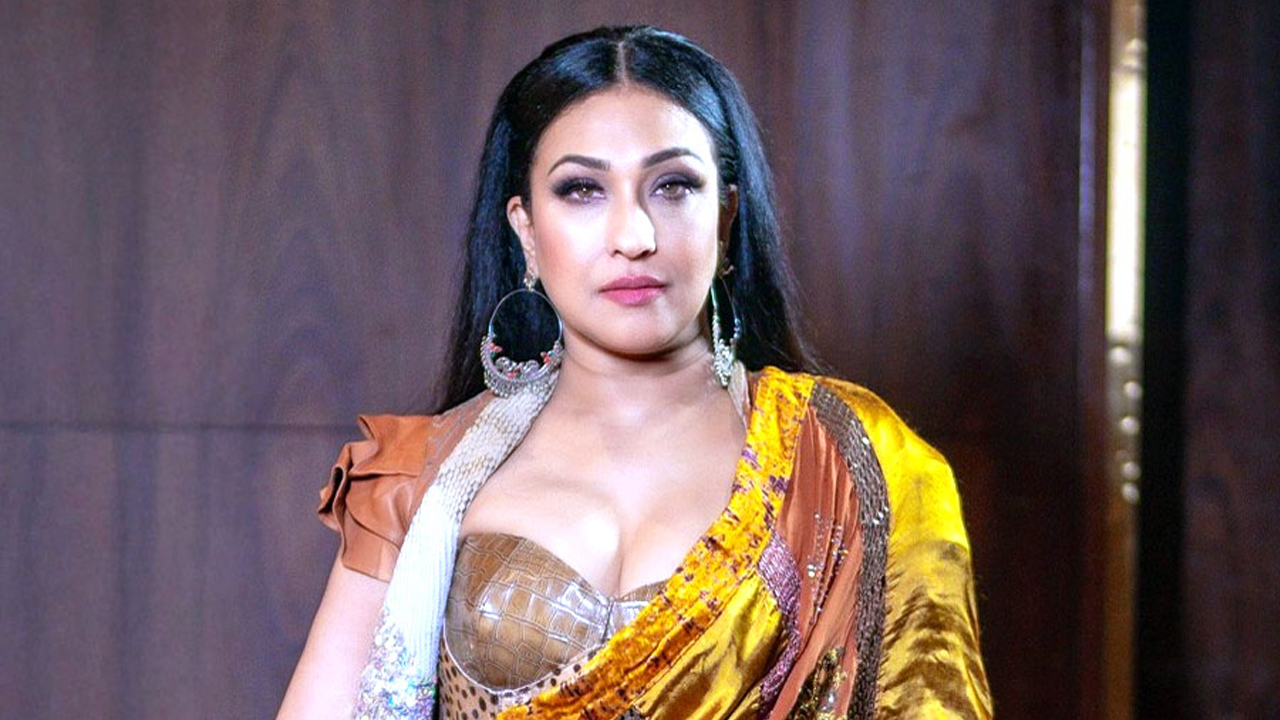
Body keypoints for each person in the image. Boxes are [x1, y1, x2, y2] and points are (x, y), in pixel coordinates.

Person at [276, 24, 992, 720]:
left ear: (726, 217)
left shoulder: (849, 462)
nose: (634, 236)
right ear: (526, 231)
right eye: (582, 190)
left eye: (673, 186)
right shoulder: (416, 481)